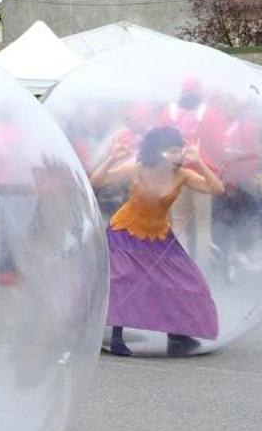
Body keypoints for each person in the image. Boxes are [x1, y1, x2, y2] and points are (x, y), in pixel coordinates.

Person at [91, 126, 226, 356]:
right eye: (173, 151)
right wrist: (112, 158)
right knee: (124, 281)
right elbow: (97, 181)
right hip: (126, 232)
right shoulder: (138, 169)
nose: (179, 155)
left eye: (179, 150)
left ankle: (178, 335)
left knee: (186, 282)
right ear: (158, 151)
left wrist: (199, 161)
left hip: (159, 235)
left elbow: (217, 189)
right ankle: (116, 337)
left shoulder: (181, 174)